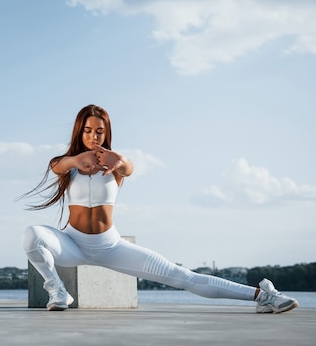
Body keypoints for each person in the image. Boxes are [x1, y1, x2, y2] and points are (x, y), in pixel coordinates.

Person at [22, 104, 299, 313]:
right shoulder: (68, 164)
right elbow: (56, 165)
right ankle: (58, 292)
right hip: (72, 244)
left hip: (110, 246)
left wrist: (120, 160)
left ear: (107, 133)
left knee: (182, 277)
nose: (93, 136)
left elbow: (128, 166)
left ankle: (262, 297)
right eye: (88, 131)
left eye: (99, 131)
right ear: (79, 131)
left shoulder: (114, 163)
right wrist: (77, 159)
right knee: (32, 235)